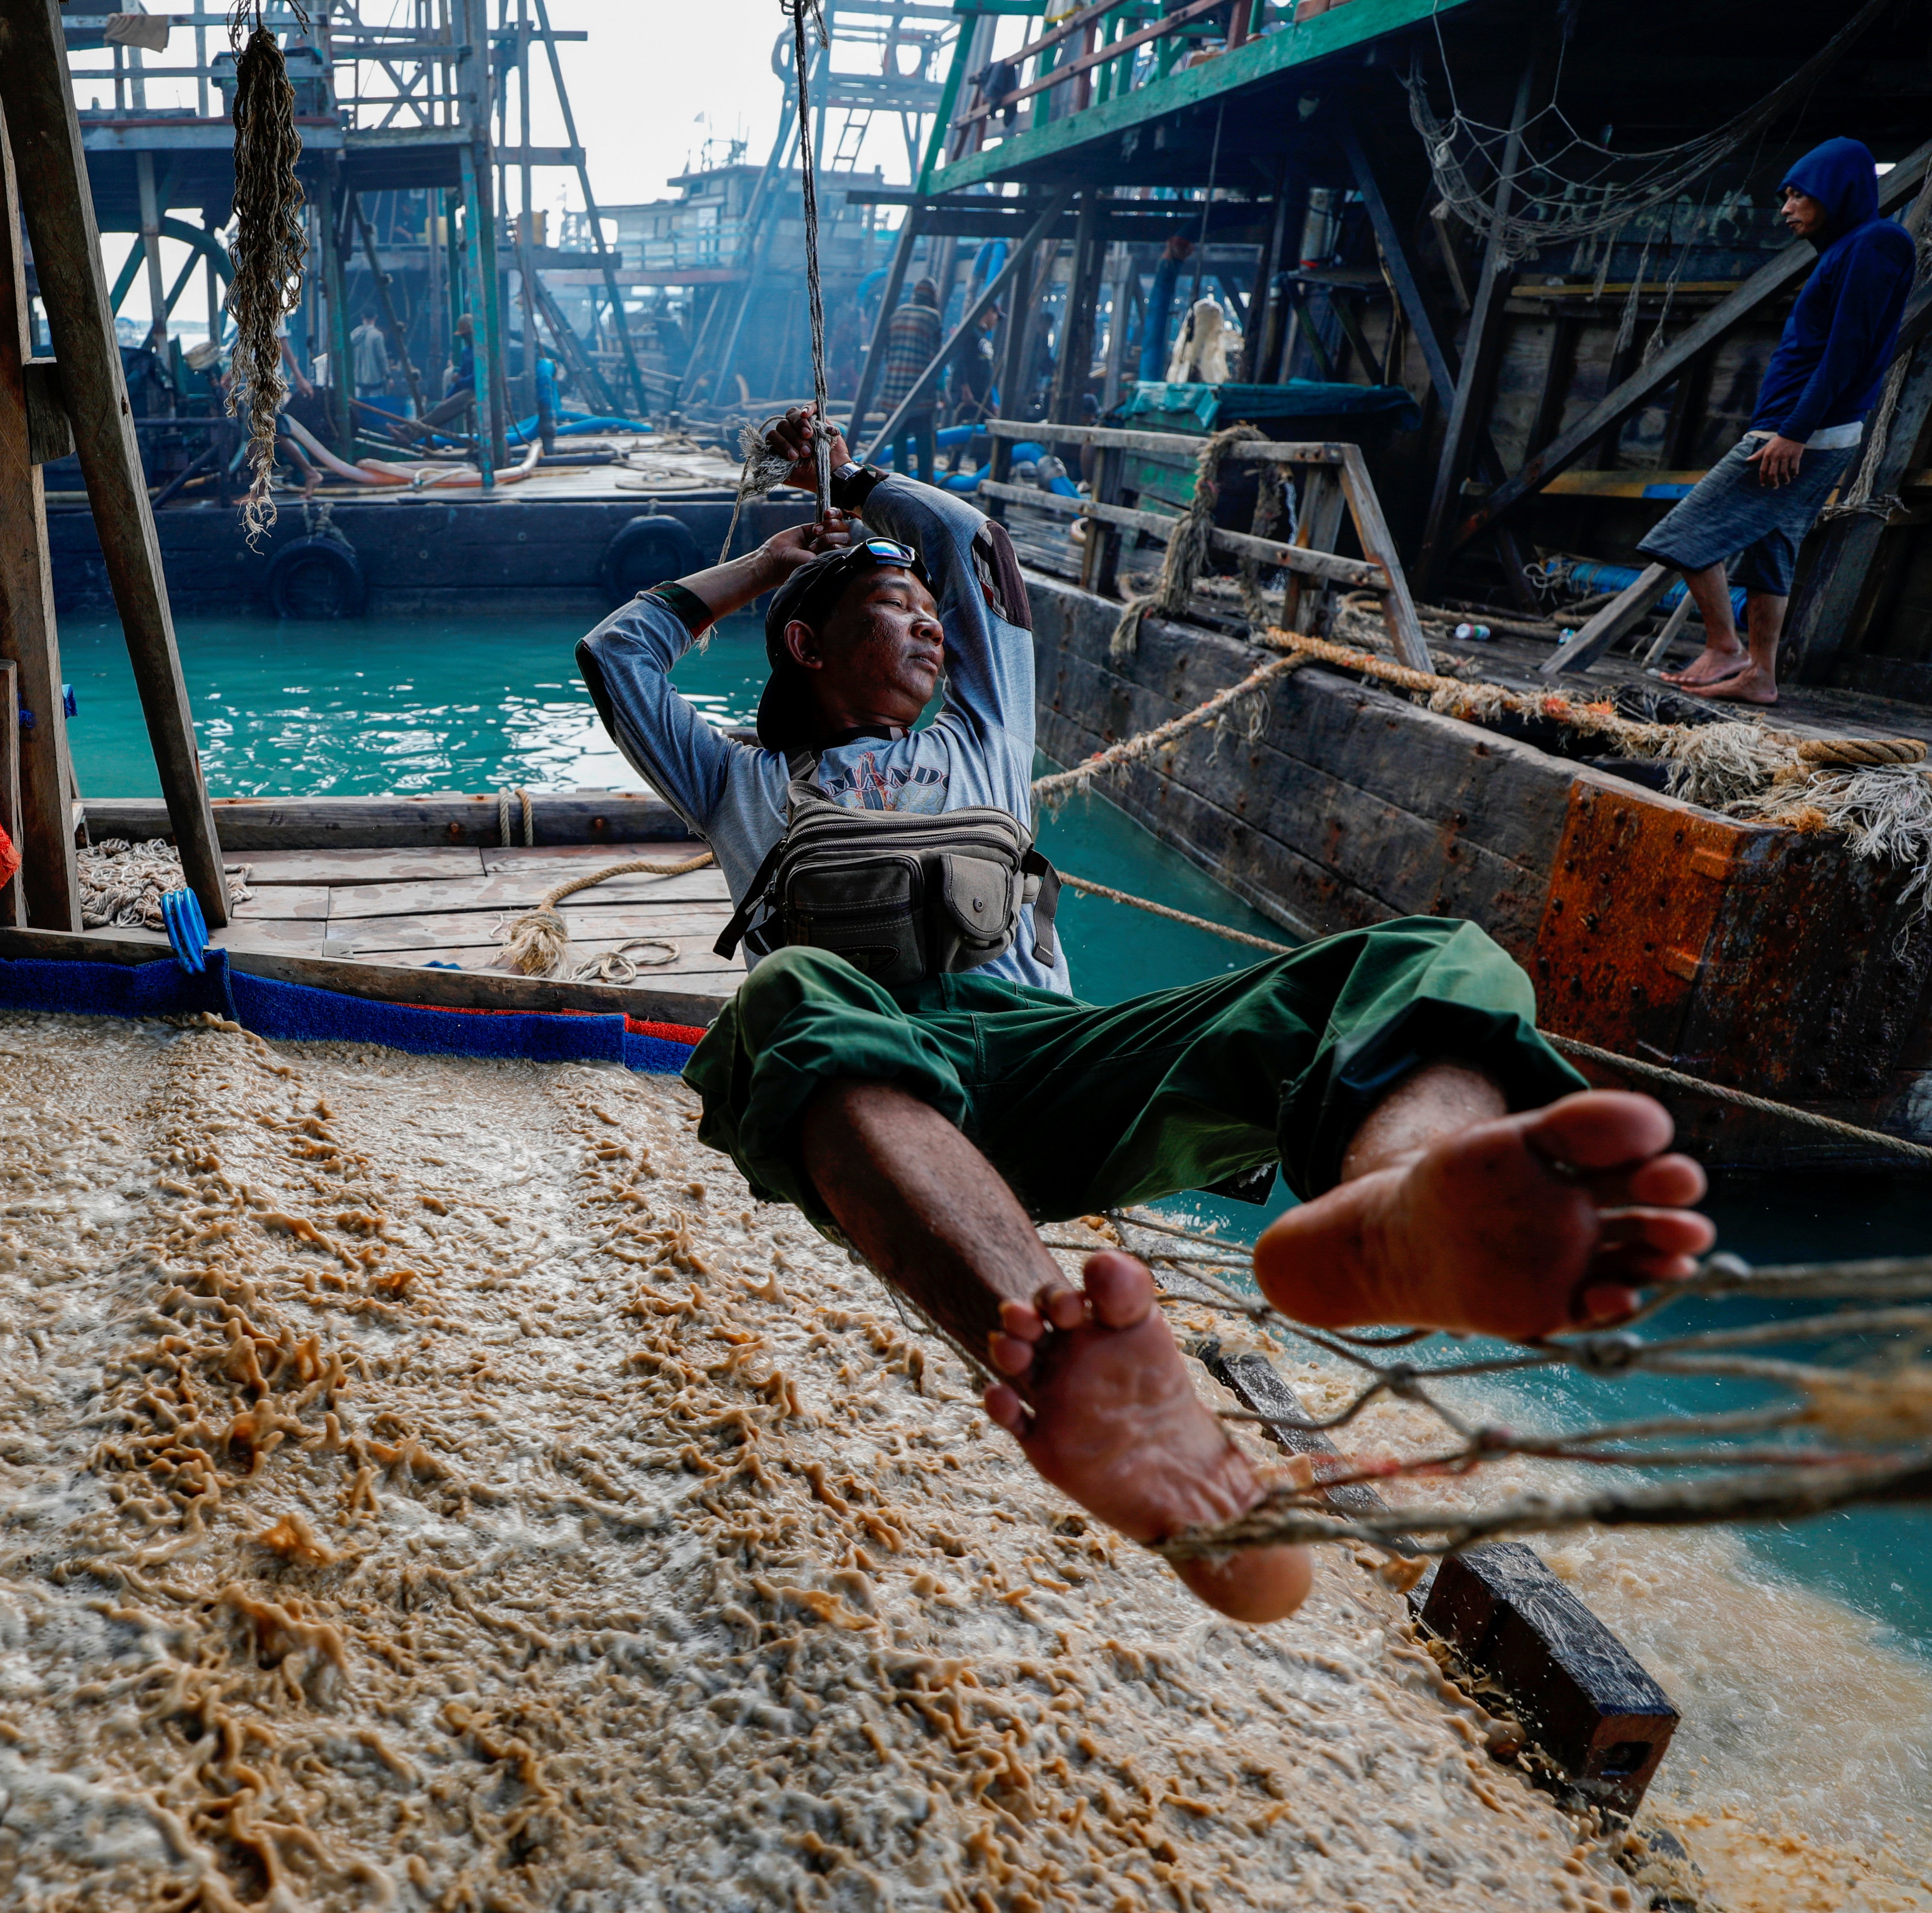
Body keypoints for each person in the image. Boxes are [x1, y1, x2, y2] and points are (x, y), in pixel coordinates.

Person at [575, 407, 1715, 1624]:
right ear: (804, 643)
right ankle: (1074, 1366)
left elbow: (975, 553)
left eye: (926, 614)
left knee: (1424, 957)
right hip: (874, 1101)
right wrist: (766, 563)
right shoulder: (737, 779)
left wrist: (854, 481)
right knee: (785, 995)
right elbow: (618, 654)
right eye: (889, 613)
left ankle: (1407, 1191)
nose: (924, 625)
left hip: (1047, 1064)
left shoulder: (983, 735)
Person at [1648, 138, 1917, 706]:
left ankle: (1724, 648)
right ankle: (1760, 675)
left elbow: (1846, 351)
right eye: (1785, 196)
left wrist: (1793, 432)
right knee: (1772, 548)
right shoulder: (1847, 249)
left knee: (1684, 533)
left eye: (1799, 195)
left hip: (1801, 432)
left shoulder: (1877, 243)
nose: (1786, 207)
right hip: (1804, 428)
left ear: (1837, 192)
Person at [875, 279, 944, 476]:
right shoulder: (933, 318)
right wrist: (943, 393)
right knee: (925, 443)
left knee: (899, 444)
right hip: (919, 396)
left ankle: (900, 486)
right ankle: (925, 486)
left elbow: (888, 355)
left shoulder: (896, 315)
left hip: (893, 394)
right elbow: (936, 359)